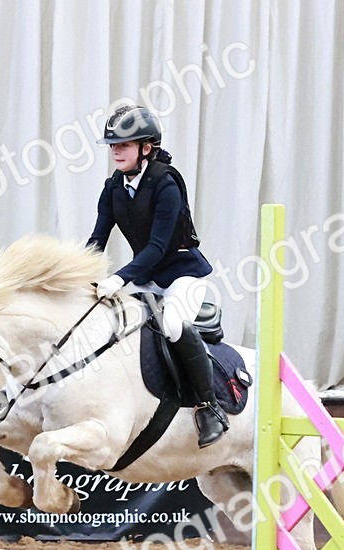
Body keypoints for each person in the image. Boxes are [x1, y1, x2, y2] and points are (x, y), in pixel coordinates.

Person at [86, 104, 228, 448]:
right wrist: (79, 276)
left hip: (183, 275)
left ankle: (209, 408)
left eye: (124, 144)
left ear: (146, 148)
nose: (116, 151)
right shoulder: (113, 188)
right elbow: (96, 240)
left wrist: (118, 279)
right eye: (113, 146)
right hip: (146, 276)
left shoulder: (166, 184)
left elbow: (158, 246)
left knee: (173, 325)